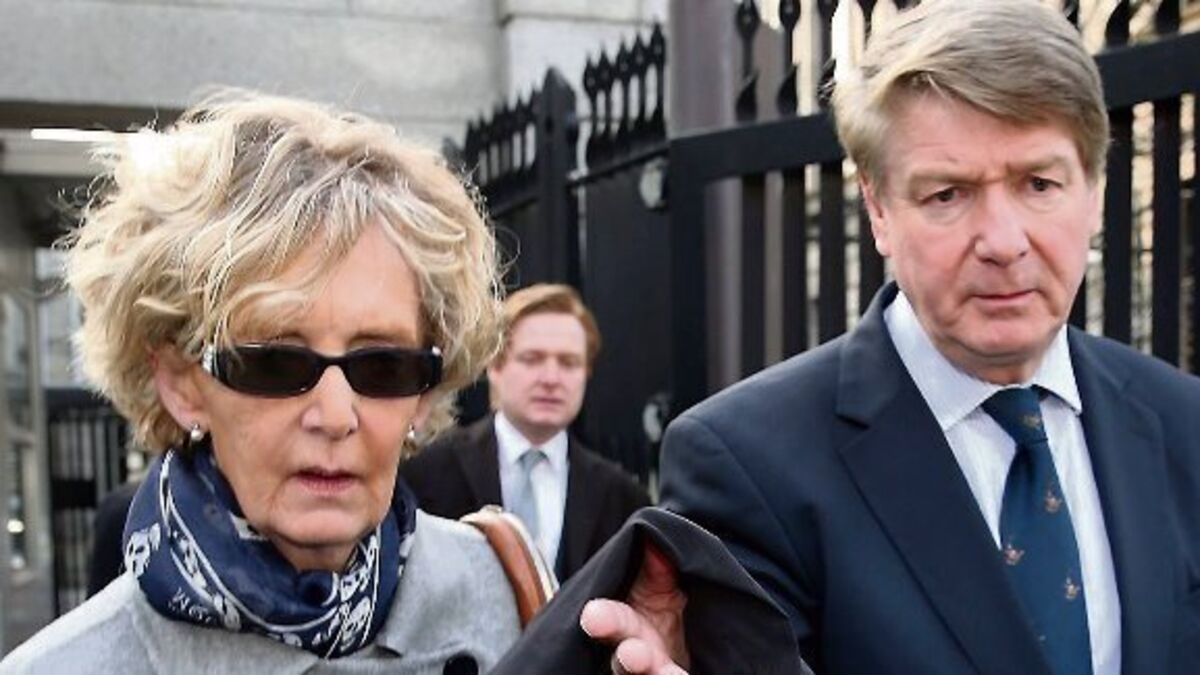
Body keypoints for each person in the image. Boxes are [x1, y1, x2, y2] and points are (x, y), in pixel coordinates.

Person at [0, 91, 673, 675]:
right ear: (182, 383)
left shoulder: (505, 594)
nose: (334, 413)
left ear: (424, 391)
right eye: (276, 362)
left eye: (382, 366)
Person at [643, 1, 1200, 673]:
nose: (1002, 241)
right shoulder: (747, 466)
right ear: (878, 209)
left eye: (1039, 183)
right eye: (947, 194)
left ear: (1094, 192)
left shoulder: (1184, 423)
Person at [400, 283, 650, 580]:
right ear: (495, 367)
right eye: (532, 359)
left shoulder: (621, 498)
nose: (551, 378)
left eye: (568, 363)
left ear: (586, 373)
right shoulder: (426, 472)